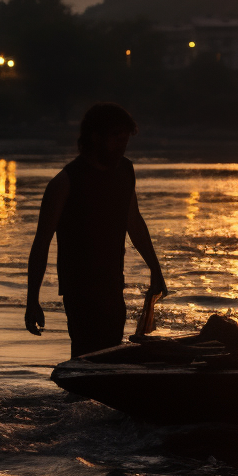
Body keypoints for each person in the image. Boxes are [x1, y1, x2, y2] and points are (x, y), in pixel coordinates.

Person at [24, 103, 166, 357]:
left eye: (125, 137)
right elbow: (41, 243)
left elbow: (133, 221)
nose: (122, 144)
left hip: (113, 283)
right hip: (79, 289)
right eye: (115, 136)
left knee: (111, 352)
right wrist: (32, 300)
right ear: (95, 137)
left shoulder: (125, 170)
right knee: (86, 355)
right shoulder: (65, 182)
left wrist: (155, 269)